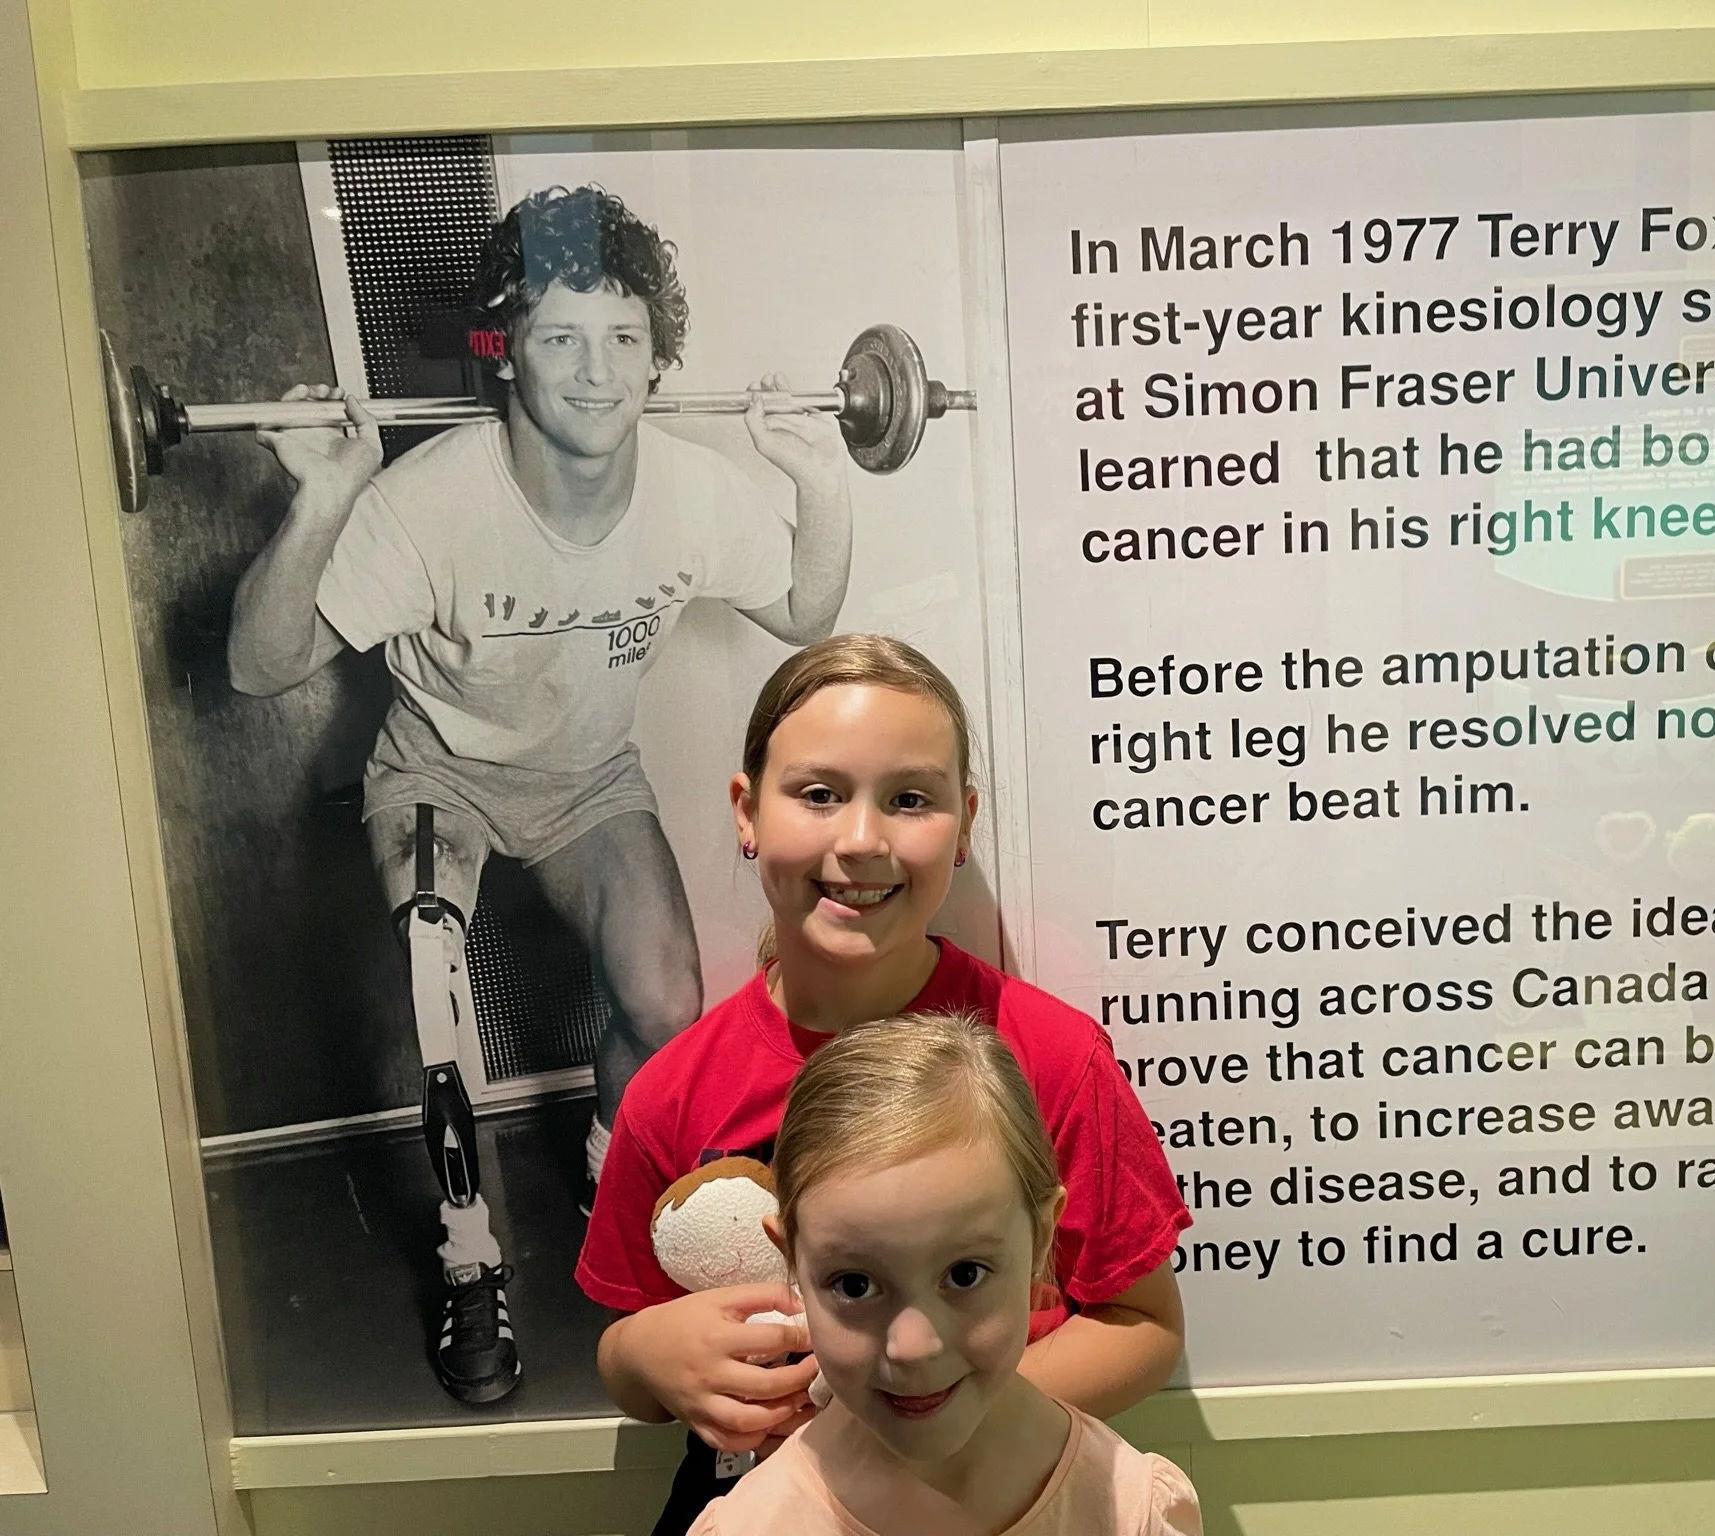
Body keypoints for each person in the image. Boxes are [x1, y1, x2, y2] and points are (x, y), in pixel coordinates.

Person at [226, 184, 854, 1404]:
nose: (596, 372)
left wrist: (822, 481)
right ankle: (473, 1264)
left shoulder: (690, 492)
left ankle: (613, 1171)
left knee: (667, 1005)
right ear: (504, 351)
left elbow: (803, 612)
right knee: (436, 998)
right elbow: (259, 668)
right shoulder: (426, 504)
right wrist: (321, 500)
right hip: (438, 775)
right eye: (560, 337)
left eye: (624, 338)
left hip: (587, 779)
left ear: (658, 359)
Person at [578, 634, 1192, 1533]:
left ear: (964, 822)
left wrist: (943, 1407)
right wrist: (644, 1353)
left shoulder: (1054, 1058)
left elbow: (1143, 1323)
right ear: (747, 812)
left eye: (909, 799)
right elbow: (627, 1353)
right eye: (818, 794)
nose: (862, 840)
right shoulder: (672, 1091)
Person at [686, 1011, 1203, 1535]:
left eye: (964, 1275)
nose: (912, 1348)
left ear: (1041, 1235)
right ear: (792, 1256)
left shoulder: (1129, 1511)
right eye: (855, 1285)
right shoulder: (750, 1526)